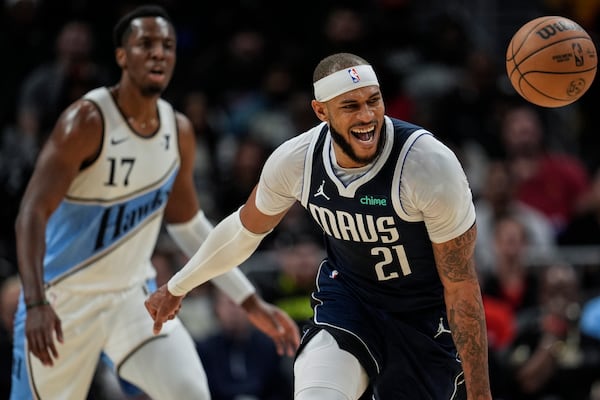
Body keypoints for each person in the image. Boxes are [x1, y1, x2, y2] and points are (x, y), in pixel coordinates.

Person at [146, 52, 492, 399]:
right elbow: (242, 232)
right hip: (350, 300)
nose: (367, 116)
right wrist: (177, 286)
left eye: (374, 100)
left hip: (423, 318)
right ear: (321, 111)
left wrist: (480, 395)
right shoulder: (296, 161)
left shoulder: (428, 165)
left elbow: (461, 284)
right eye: (351, 106)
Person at [10, 5, 299, 400]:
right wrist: (36, 302)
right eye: (145, 44)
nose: (159, 53)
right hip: (62, 301)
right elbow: (31, 213)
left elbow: (190, 227)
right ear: (121, 56)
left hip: (133, 298)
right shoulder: (87, 121)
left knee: (190, 393)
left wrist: (249, 301)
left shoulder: (178, 130)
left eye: (167, 45)